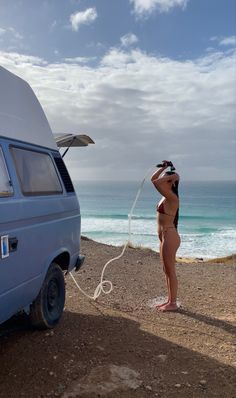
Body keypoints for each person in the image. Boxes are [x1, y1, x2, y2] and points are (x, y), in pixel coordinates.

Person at [151, 160, 181, 312]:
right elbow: (154, 180)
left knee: (170, 270)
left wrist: (174, 175)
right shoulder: (165, 196)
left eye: (166, 180)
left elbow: (156, 183)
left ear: (171, 183)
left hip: (170, 235)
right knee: (166, 269)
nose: (163, 181)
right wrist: (164, 168)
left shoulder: (172, 198)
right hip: (164, 236)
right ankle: (169, 300)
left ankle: (173, 303)